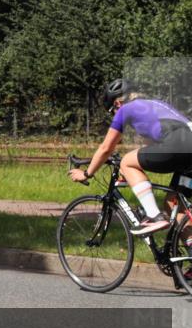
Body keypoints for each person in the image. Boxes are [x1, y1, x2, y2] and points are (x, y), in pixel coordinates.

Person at [69, 79, 192, 237]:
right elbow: (151, 151)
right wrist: (130, 172)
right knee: (173, 205)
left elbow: (106, 148)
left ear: (117, 104)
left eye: (112, 111)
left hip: (177, 145)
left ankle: (155, 217)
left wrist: (86, 173)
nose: (115, 115)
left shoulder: (124, 109)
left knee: (126, 161)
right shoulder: (156, 105)